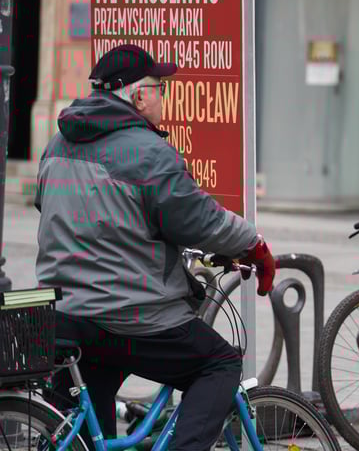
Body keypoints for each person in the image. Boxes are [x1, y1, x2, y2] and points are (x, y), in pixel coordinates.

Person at [35, 44, 276, 451]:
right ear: (137, 94)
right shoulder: (147, 152)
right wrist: (253, 245)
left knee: (91, 413)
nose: (163, 96)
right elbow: (200, 219)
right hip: (131, 315)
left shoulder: (57, 144)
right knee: (219, 364)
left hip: (69, 312)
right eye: (159, 87)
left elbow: (53, 207)